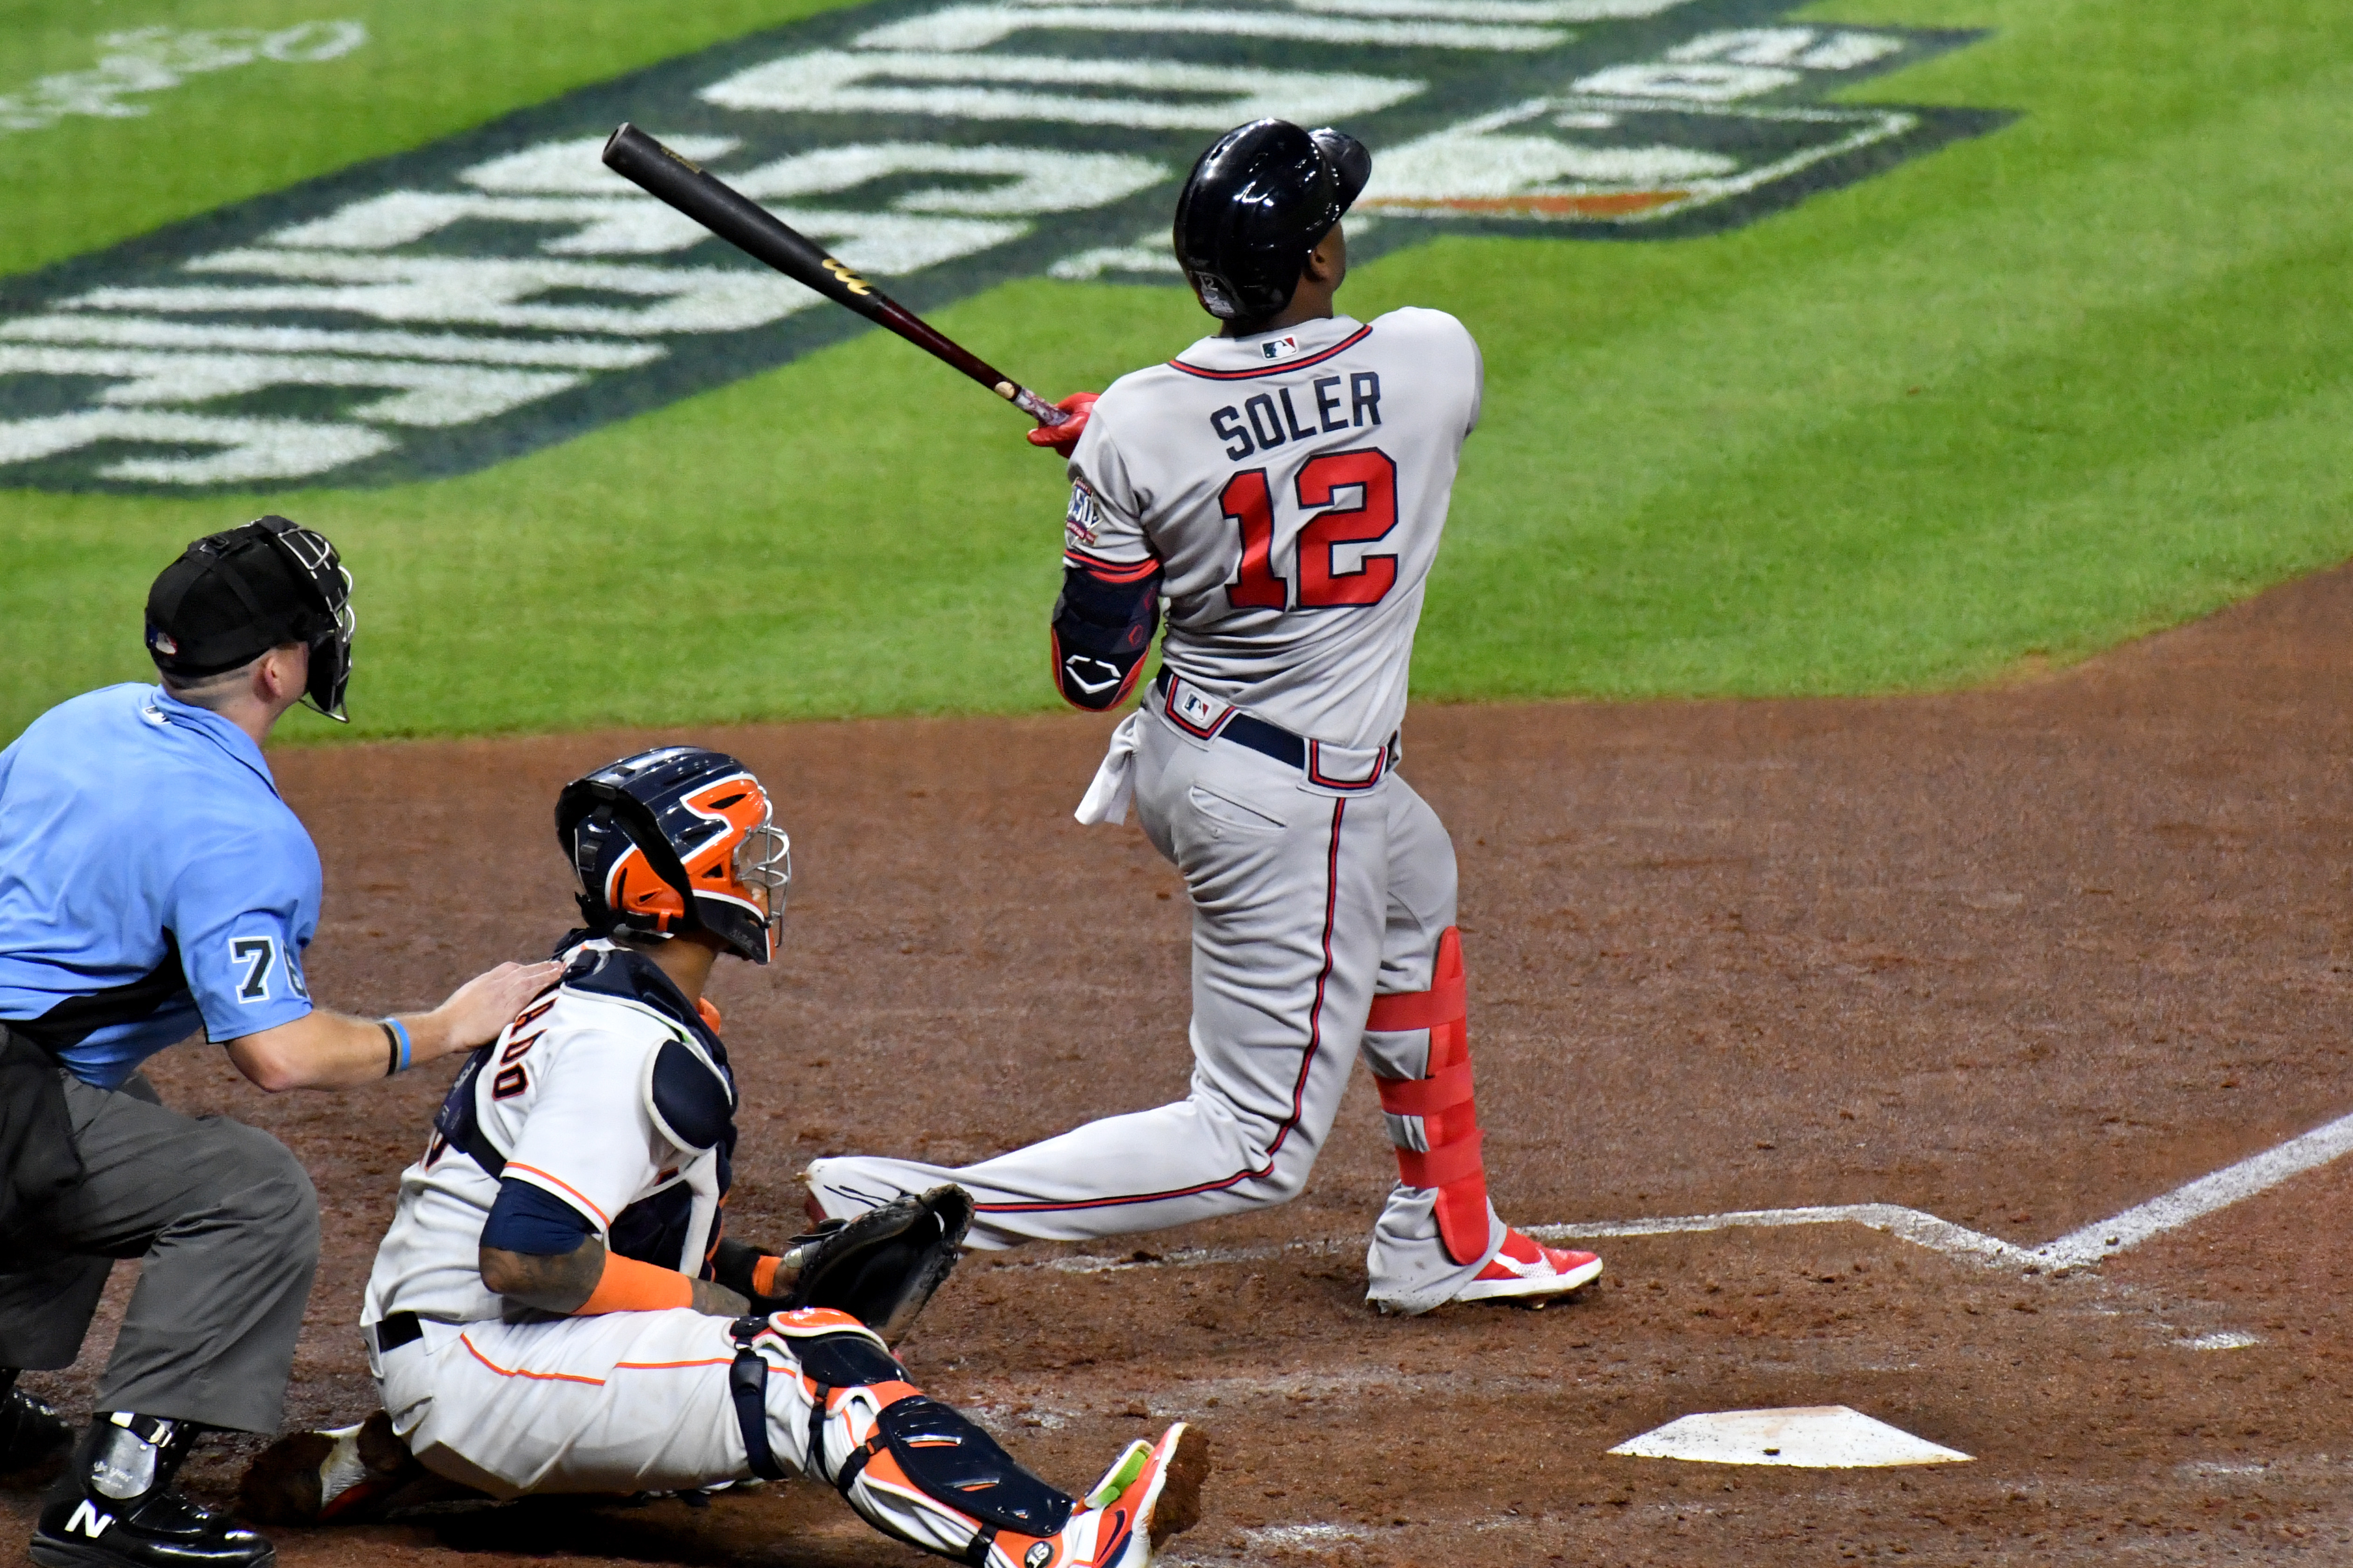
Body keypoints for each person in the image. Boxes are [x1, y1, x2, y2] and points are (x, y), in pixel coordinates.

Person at [805, 119, 1603, 1316]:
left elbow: (1093, 675)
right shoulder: (1436, 357)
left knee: (1416, 882)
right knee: (1252, 1147)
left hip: (1195, 758)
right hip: (1297, 802)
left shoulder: (1137, 424)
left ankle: (1446, 1230)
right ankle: (924, 1208)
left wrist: (1113, 489)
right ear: (1319, 259)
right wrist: (1142, 461)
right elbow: (1307, 430)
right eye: (1333, 215)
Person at [240, 746, 1209, 1568]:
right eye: (741, 850)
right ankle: (1061, 1545)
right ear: (678, 881)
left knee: (780, 1343)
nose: (762, 869)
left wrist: (766, 1273)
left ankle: (395, 1459)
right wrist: (734, 1308)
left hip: (469, 1340)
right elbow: (532, 1258)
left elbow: (627, 1227)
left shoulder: (597, 985)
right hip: (483, 1356)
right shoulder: (624, 1045)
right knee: (812, 1370)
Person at [0, 516, 561, 1568]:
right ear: (275, 668)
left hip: (17, 1085)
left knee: (107, 1122)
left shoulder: (85, 720)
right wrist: (441, 1027)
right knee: (247, 1190)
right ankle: (115, 1499)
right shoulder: (241, 832)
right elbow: (280, 1055)